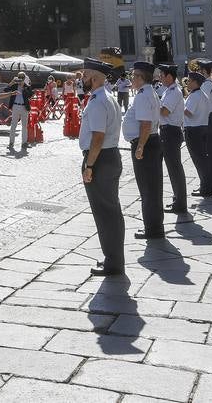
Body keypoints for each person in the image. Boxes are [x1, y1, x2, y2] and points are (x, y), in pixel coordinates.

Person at [78, 58, 125, 276]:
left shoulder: (97, 101)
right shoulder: (108, 98)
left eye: (85, 75)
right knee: (111, 211)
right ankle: (114, 259)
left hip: (100, 159)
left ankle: (113, 262)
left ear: (95, 77)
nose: (82, 78)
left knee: (105, 212)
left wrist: (89, 165)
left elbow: (97, 137)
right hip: (109, 156)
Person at [123, 60, 164, 239]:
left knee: (148, 189)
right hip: (151, 142)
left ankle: (152, 229)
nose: (131, 78)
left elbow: (145, 124)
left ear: (141, 78)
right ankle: (154, 226)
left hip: (145, 144)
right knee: (152, 188)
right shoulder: (149, 92)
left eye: (133, 75)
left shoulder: (142, 95)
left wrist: (140, 146)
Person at [155, 64, 187, 216]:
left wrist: (153, 106)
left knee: (174, 169)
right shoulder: (169, 90)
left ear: (169, 76)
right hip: (168, 131)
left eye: (162, 75)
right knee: (174, 169)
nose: (160, 78)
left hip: (171, 132)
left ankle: (180, 203)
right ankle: (178, 200)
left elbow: (165, 111)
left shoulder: (174, 92)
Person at [181, 69, 212, 199]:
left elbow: (189, 112)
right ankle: (205, 186)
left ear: (195, 82)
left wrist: (180, 106)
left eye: (189, 81)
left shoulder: (195, 96)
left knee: (199, 160)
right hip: (201, 128)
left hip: (194, 130)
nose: (187, 83)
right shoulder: (201, 94)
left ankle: (205, 188)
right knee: (202, 159)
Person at [5, 73, 32, 153]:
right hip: (15, 106)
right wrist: (11, 82)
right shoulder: (14, 85)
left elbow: (30, 95)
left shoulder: (26, 86)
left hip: (24, 107)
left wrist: (24, 86)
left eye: (22, 78)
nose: (20, 79)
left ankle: (24, 143)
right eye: (19, 77)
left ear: (24, 78)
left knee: (24, 126)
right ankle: (11, 143)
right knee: (13, 125)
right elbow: (5, 90)